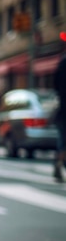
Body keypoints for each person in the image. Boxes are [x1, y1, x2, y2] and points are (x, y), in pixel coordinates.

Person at [53, 50, 66, 183]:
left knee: (62, 141)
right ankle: (59, 163)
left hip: (62, 109)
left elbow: (55, 84)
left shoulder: (62, 63)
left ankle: (58, 162)